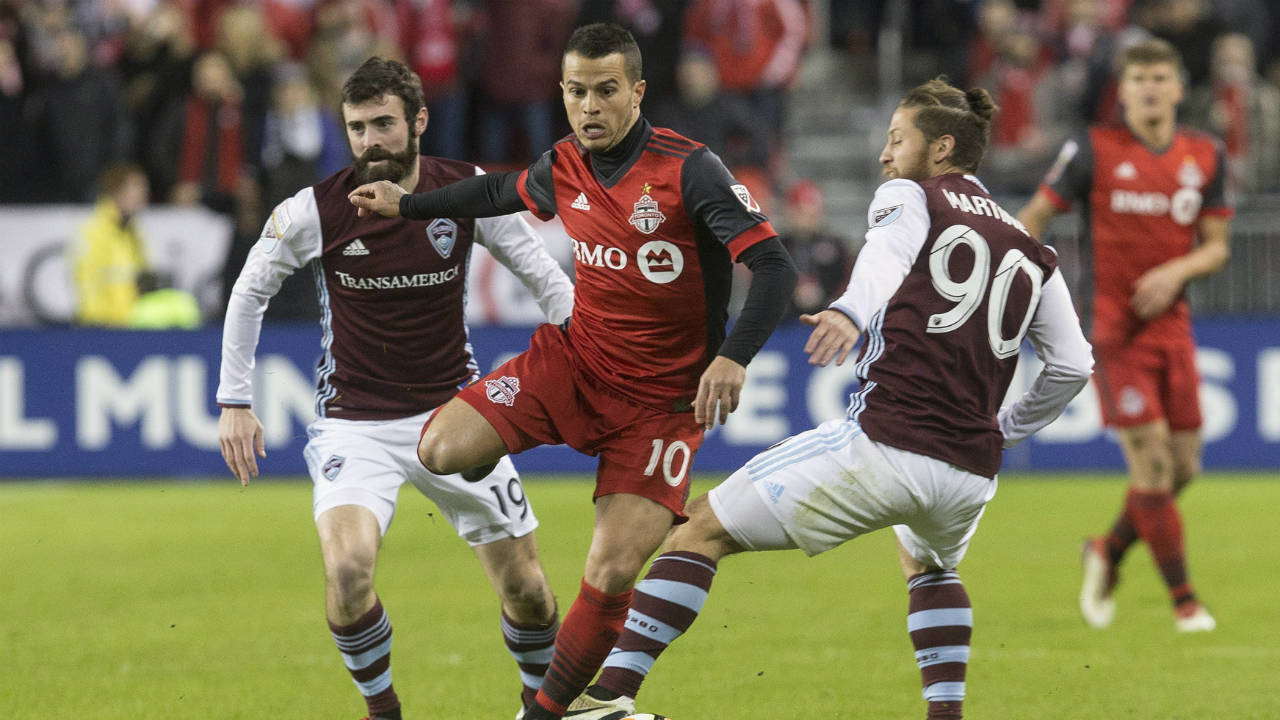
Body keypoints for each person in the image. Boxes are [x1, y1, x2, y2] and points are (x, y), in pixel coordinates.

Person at [571, 76, 1095, 720]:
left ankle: (607, 699)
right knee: (929, 566)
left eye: (897, 139)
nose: (884, 155)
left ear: (941, 148)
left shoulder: (912, 195)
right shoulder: (1032, 248)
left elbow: (884, 254)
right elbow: (1073, 366)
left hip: (888, 443)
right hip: (969, 474)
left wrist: (848, 308)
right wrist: (1004, 428)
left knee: (697, 531)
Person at [348, 23, 798, 720]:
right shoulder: (564, 164)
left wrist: (733, 356)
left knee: (613, 569)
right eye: (577, 91)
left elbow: (773, 267)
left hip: (660, 405)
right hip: (575, 365)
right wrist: (407, 206)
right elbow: (495, 193)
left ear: (638, 92)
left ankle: (548, 711)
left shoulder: (690, 169)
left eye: (607, 91)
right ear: (562, 93)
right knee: (439, 450)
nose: (590, 106)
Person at [216, 57, 575, 720]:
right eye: (356, 127)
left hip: (457, 417)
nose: (370, 140)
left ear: (418, 121)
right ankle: (383, 711)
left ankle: (538, 704)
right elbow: (248, 291)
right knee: (347, 570)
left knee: (527, 588)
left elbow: (545, 278)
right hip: (355, 423)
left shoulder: (465, 189)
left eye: (383, 123)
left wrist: (595, 356)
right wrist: (235, 400)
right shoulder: (315, 210)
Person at [1017, 38, 1231, 633]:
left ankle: (1106, 551)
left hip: (1175, 329)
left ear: (1179, 87)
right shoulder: (1093, 149)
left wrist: (1175, 270)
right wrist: (1031, 295)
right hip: (1114, 331)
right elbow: (1035, 217)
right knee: (1154, 464)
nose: (1151, 88)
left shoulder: (1205, 154)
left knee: (1185, 468)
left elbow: (1216, 248)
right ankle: (1185, 601)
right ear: (1124, 89)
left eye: (1161, 77)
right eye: (1139, 79)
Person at [68, 163, 153, 327]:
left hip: (131, 325)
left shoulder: (134, 232)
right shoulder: (94, 231)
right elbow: (87, 280)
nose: (143, 194)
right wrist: (96, 322)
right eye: (136, 187)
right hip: (103, 327)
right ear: (117, 191)